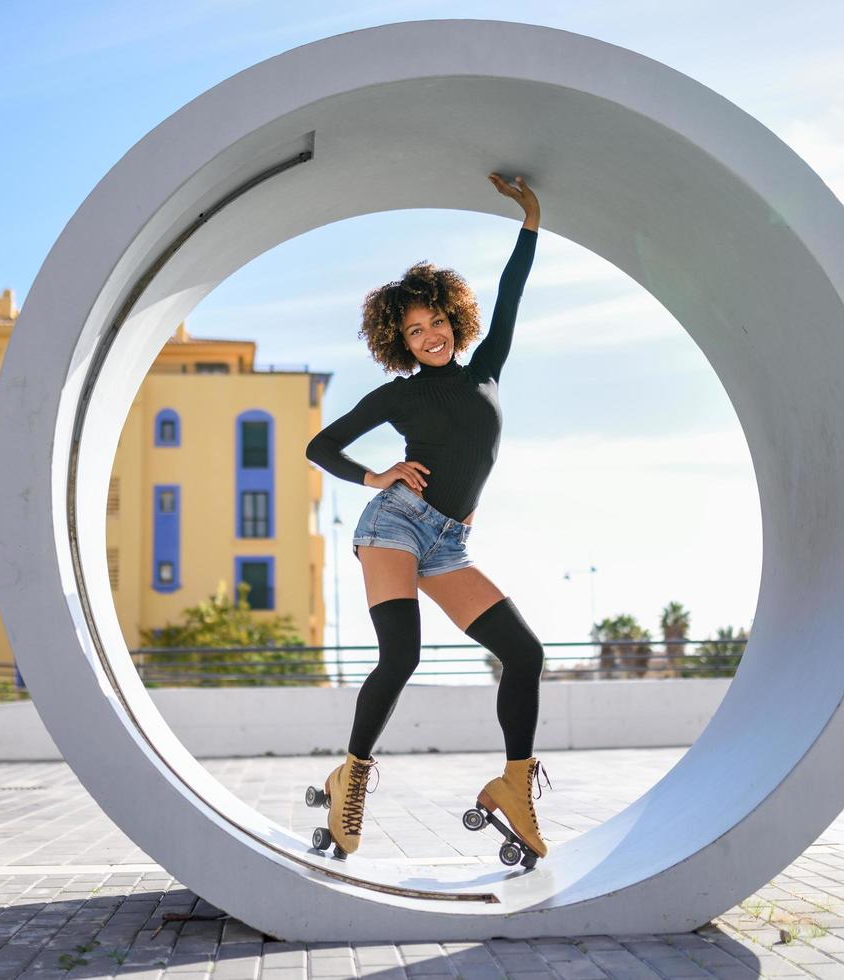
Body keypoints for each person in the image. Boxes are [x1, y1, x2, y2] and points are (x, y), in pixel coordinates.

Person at [304, 172, 551, 861]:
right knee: (401, 654)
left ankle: (512, 786)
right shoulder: (397, 398)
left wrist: (529, 219)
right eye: (414, 330)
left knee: (524, 655)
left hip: (449, 542)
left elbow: (512, 293)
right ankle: (348, 777)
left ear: (453, 320)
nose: (430, 335)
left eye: (436, 321)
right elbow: (319, 445)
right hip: (395, 524)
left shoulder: (486, 368)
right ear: (400, 341)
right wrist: (374, 474)